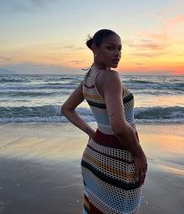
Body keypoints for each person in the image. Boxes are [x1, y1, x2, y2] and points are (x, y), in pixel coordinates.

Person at [61, 29, 148, 213]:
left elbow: (66, 109)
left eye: (119, 48)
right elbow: (118, 126)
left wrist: (92, 133)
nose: (117, 54)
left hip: (95, 154)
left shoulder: (89, 78)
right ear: (94, 48)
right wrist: (139, 154)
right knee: (123, 208)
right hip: (119, 156)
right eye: (110, 48)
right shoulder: (110, 77)